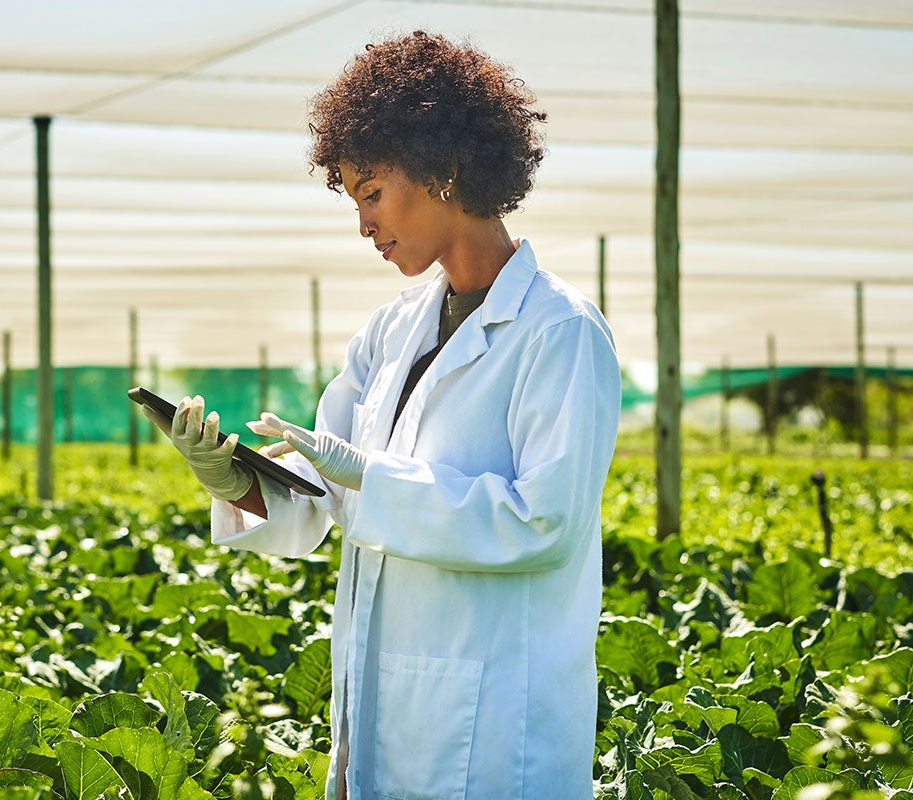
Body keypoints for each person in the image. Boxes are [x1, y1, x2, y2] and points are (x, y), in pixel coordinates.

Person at [142, 30, 620, 799]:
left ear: (442, 170)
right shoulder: (392, 332)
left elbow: (545, 524)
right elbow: (325, 496)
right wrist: (235, 481)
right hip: (380, 710)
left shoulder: (559, 332)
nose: (363, 224)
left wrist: (373, 480)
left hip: (497, 728)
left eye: (371, 192)